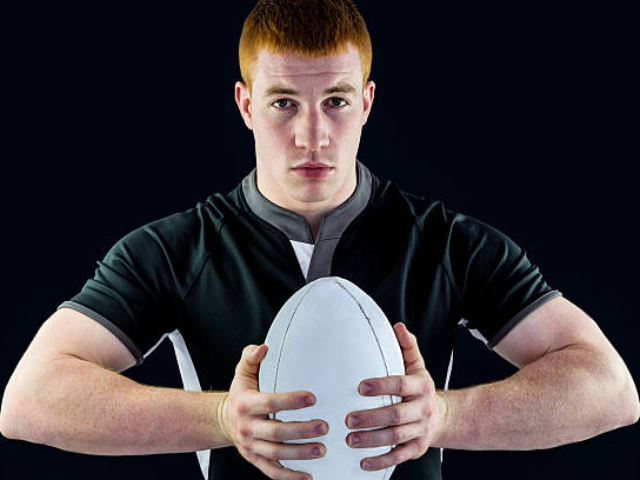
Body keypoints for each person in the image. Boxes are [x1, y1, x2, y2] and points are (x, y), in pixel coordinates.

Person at [1, 1, 638, 479]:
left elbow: (610, 389)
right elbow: (30, 401)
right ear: (245, 105)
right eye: (284, 103)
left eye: (334, 101)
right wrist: (222, 419)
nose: (313, 135)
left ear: (365, 102)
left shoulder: (449, 244)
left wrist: (445, 417)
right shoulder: (172, 251)